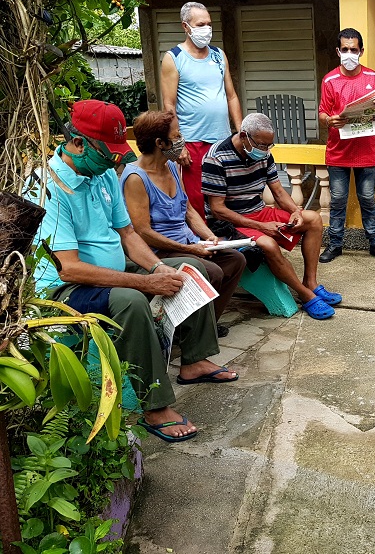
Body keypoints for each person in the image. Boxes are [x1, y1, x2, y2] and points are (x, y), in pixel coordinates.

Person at [33, 100, 238, 443]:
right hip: (65, 289)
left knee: (188, 270)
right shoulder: (49, 187)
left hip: (111, 270)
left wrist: (158, 268)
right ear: (78, 142)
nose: (116, 161)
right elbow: (68, 269)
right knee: (131, 300)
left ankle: (195, 361)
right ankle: (154, 404)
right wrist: (145, 281)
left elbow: (127, 234)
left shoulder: (102, 174)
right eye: (109, 154)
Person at [202, 113, 341, 320]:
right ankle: (305, 296)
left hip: (258, 211)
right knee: (267, 244)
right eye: (261, 145)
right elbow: (218, 209)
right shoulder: (216, 158)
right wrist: (260, 227)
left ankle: (310, 282)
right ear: (243, 136)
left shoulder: (264, 154)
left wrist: (295, 211)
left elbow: (277, 191)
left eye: (269, 145)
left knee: (313, 219)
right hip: (229, 222)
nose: (265, 150)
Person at [121, 110, 247, 329]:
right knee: (212, 271)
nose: (182, 141)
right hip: (161, 250)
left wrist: (209, 237)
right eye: (177, 136)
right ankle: (189, 330)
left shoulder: (171, 165)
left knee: (236, 260)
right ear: (160, 143)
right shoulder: (135, 178)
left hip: (188, 243)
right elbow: (143, 232)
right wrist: (190, 250)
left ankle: (206, 326)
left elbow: (187, 209)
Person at [318, 28, 375, 263]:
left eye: (354, 49)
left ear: (361, 51)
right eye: (345, 49)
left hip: (366, 153)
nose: (349, 54)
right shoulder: (330, 80)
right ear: (338, 51)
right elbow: (322, 112)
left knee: (367, 199)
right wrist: (330, 120)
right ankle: (335, 244)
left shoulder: (374, 79)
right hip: (338, 153)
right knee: (338, 200)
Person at [161, 1, 243, 218]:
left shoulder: (218, 55)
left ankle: (231, 241)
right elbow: (169, 104)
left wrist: (241, 132)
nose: (206, 29)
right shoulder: (174, 58)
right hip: (193, 141)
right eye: (200, 24)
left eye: (209, 23)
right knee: (197, 197)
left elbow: (232, 96)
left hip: (223, 140)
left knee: (226, 194)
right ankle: (203, 246)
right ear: (185, 27)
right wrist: (178, 144)